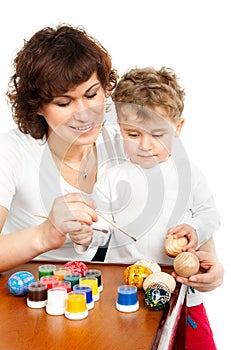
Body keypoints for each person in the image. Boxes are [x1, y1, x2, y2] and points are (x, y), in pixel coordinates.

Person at [0, 23, 223, 311]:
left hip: (104, 297)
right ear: (37, 107)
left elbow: (182, 193)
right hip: (29, 301)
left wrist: (209, 261)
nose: (84, 114)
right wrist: (44, 234)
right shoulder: (13, 151)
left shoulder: (127, 129)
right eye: (64, 102)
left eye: (92, 94)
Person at [72, 66, 222, 349]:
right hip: (129, 296)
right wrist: (85, 235)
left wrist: (195, 229)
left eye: (157, 134)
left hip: (185, 296)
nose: (145, 145)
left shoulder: (190, 173)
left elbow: (210, 214)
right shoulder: (111, 176)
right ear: (119, 127)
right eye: (133, 134)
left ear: (177, 129)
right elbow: (102, 231)